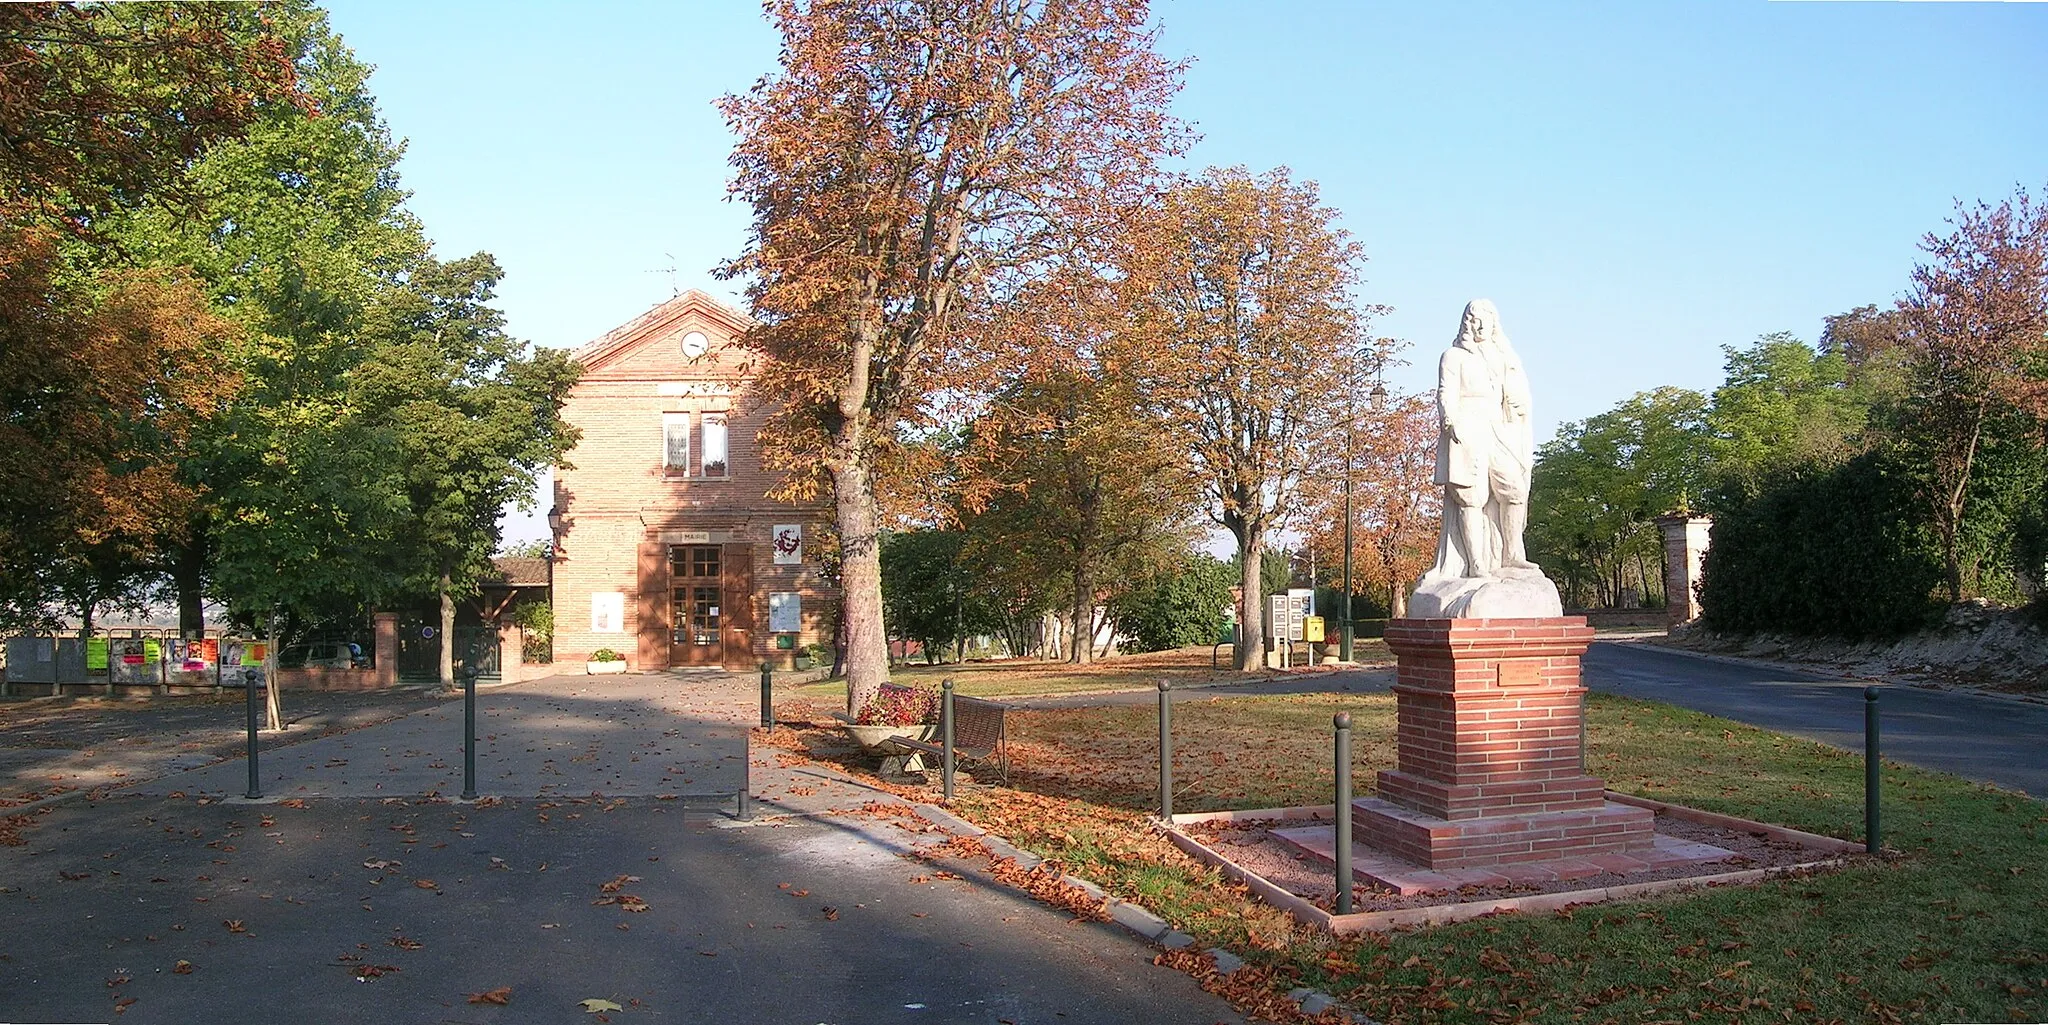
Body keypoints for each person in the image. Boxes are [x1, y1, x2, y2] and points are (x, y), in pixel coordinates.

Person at [1425, 299, 1536, 581]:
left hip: (1499, 430)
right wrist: (1450, 420)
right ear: (1466, 322)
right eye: (1475, 319)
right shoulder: (1453, 356)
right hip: (1468, 428)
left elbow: (1517, 393)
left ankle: (1513, 555)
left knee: (1514, 489)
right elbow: (1445, 392)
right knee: (1471, 498)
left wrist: (1520, 404)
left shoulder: (1504, 356)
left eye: (1487, 319)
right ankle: (1477, 564)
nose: (1481, 325)